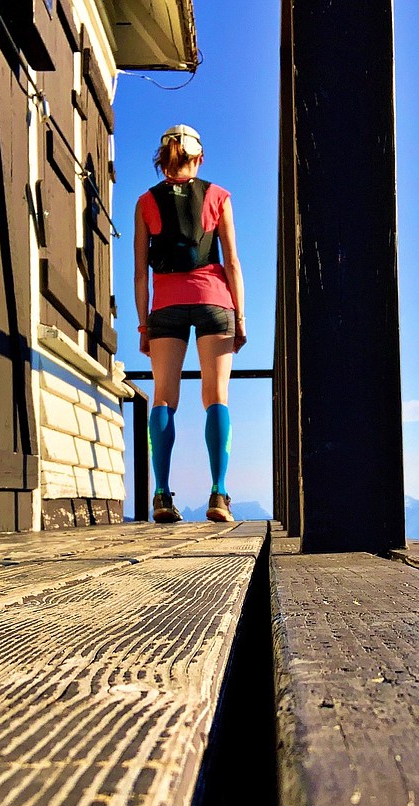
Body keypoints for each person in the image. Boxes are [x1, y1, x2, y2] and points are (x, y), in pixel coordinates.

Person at [134, 124, 246, 524]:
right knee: (216, 397)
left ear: (162, 159)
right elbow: (231, 261)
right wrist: (241, 316)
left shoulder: (146, 201)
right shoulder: (218, 196)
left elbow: (139, 273)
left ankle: (161, 496)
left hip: (164, 304)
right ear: (199, 158)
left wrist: (144, 325)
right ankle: (218, 494)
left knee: (164, 397)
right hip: (215, 300)